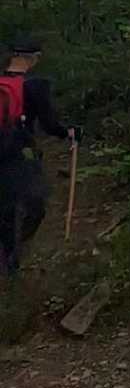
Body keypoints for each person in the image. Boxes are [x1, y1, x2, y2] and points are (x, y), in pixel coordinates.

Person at [0, 38, 77, 275]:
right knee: (34, 206)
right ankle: (11, 261)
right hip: (19, 153)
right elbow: (49, 125)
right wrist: (69, 133)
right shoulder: (35, 85)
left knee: (6, 207)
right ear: (33, 58)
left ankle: (8, 257)